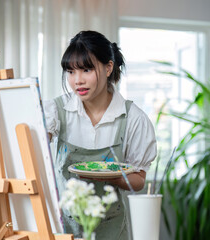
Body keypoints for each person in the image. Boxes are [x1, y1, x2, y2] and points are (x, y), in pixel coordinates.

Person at [44, 30, 157, 239]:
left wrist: (110, 176)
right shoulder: (55, 112)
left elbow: (139, 180)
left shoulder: (132, 118)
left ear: (108, 68)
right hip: (65, 231)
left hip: (113, 231)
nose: (77, 80)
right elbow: (32, 154)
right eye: (71, 72)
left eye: (86, 70)